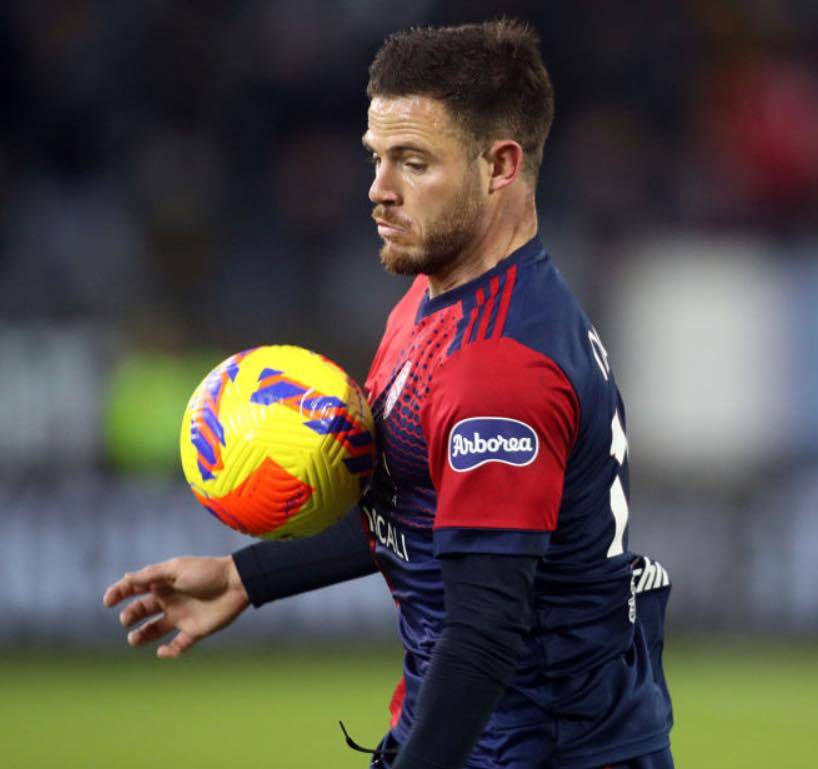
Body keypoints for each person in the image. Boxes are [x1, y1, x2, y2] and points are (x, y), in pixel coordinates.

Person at [103, 19, 674, 769]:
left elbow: (484, 631)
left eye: (412, 163)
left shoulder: (498, 368)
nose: (377, 191)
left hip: (537, 752)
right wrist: (249, 575)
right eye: (375, 158)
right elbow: (417, 507)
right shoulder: (434, 298)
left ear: (499, 164)